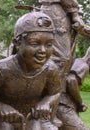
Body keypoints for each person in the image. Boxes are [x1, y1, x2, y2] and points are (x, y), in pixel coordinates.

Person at [0, 11, 62, 130]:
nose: (43, 50)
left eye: (49, 44)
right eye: (35, 43)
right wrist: (0, 106)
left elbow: (55, 92)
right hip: (5, 118)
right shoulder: (0, 69)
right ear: (17, 43)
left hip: (34, 116)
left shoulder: (50, 69)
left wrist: (46, 103)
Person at [39, 0, 90, 129]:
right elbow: (71, 80)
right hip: (54, 12)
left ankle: (52, 110)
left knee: (65, 60)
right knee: (61, 59)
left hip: (60, 12)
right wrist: (75, 14)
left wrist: (75, 15)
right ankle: (48, 114)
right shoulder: (83, 65)